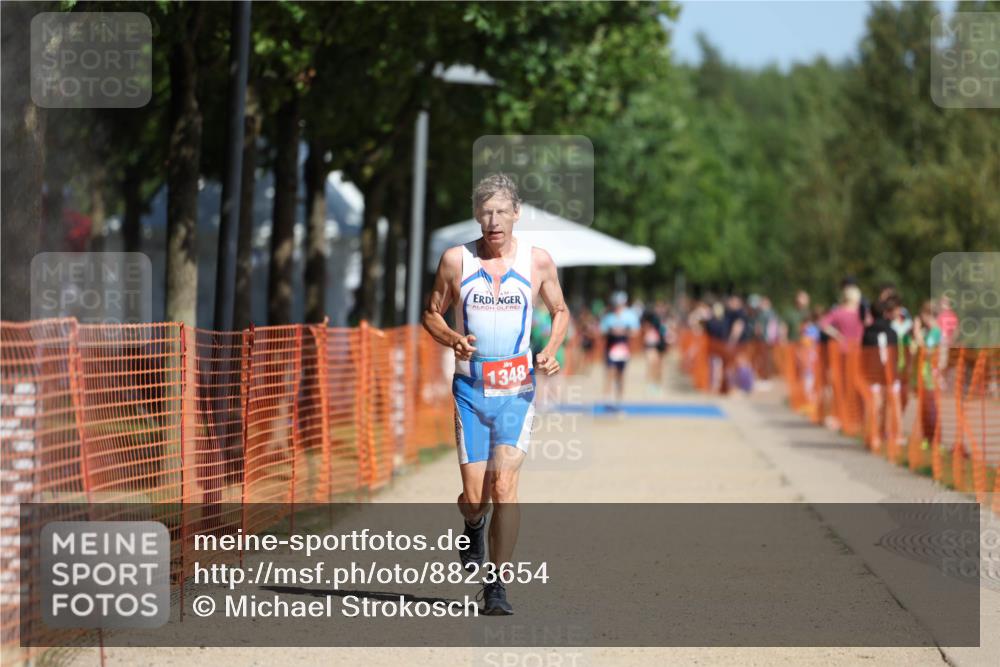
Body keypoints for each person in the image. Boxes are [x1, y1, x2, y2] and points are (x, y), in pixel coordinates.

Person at [422, 173, 568, 615]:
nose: (493, 220)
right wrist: (452, 338)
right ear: (476, 216)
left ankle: (497, 585)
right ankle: (472, 523)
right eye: (485, 212)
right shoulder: (455, 260)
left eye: (502, 211)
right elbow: (431, 313)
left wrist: (550, 350)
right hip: (470, 390)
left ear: (517, 213)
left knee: (505, 486)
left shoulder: (537, 261)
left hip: (517, 390)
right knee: (476, 497)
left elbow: (560, 310)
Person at [600, 291, 640, 402]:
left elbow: (635, 332)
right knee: (610, 372)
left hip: (623, 347)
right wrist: (611, 332)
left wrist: (624, 332)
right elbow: (602, 332)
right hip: (610, 347)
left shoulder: (630, 315)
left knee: (620, 375)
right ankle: (607, 398)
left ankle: (619, 400)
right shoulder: (608, 316)